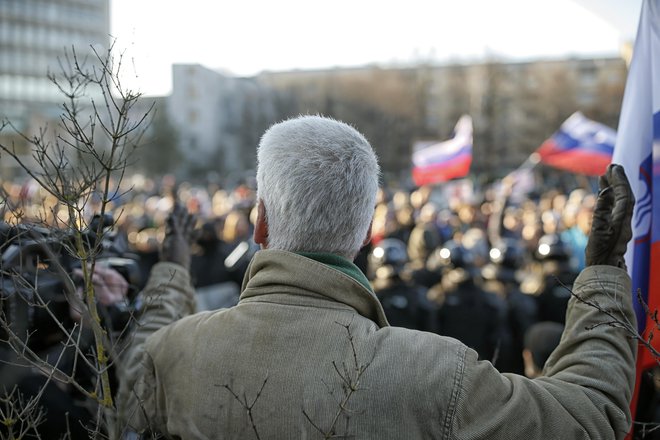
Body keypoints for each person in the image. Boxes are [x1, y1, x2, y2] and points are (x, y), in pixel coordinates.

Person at [118, 115, 637, 439]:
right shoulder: (433, 372)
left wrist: (170, 270)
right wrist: (604, 274)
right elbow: (587, 418)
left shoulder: (178, 352)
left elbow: (130, 382)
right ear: (369, 232)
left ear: (260, 222)